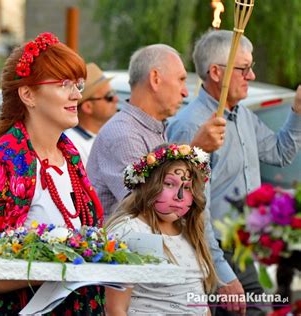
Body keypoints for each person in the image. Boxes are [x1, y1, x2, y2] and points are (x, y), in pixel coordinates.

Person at [87, 44, 247, 315]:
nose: (186, 92)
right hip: (140, 294)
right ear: (155, 79)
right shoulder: (124, 135)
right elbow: (152, 209)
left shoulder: (152, 130)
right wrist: (196, 151)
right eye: (182, 80)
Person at [0, 32, 105, 315]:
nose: (77, 94)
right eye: (64, 84)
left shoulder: (71, 157)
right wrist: (64, 267)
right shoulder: (3, 166)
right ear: (28, 94)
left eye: (78, 84)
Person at [167, 29, 301, 315]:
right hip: (210, 254)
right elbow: (187, 208)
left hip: (242, 249)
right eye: (244, 68)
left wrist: (298, 111)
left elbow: (280, 153)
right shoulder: (192, 126)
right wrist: (222, 273)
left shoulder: (243, 116)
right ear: (216, 73)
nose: (251, 75)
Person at [106, 144, 218, 315]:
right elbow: (115, 309)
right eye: (169, 184)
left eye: (187, 187)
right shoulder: (132, 231)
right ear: (148, 184)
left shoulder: (189, 230)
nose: (179, 196)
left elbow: (199, 301)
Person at [65, 62, 118, 166]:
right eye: (109, 96)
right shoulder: (72, 145)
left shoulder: (106, 136)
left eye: (114, 93)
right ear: (88, 107)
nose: (116, 99)